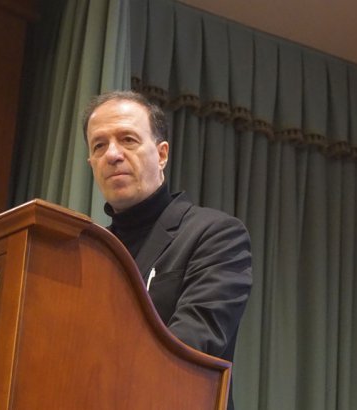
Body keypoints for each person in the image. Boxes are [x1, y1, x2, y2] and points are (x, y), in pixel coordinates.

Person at [83, 90, 252, 409]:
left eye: (128, 140)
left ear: (162, 155)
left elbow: (188, 348)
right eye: (99, 145)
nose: (112, 154)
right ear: (91, 163)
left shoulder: (216, 235)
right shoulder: (88, 254)